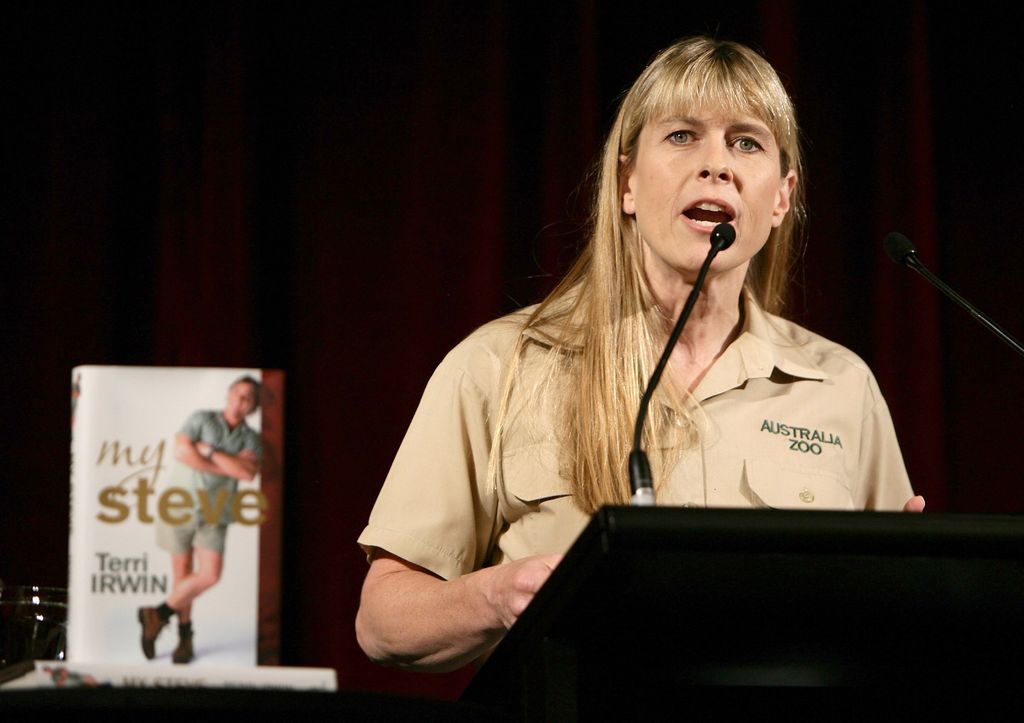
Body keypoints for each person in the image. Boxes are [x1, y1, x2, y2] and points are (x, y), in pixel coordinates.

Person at [355, 36, 925, 673]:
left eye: (747, 141)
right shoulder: (499, 367)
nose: (717, 165)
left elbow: (892, 631)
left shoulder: (839, 385)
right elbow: (384, 622)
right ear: (626, 182)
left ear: (782, 196)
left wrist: (911, 589)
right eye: (683, 135)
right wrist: (495, 595)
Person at [137, 375, 263, 664]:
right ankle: (185, 638)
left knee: (209, 574)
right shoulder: (201, 419)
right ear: (229, 394)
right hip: (179, 504)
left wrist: (209, 451)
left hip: (215, 510)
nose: (241, 401)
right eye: (238, 394)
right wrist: (228, 464)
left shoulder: (250, 439)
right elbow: (181, 451)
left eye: (248, 398)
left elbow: (246, 473)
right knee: (182, 575)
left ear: (252, 406)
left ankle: (156, 614)